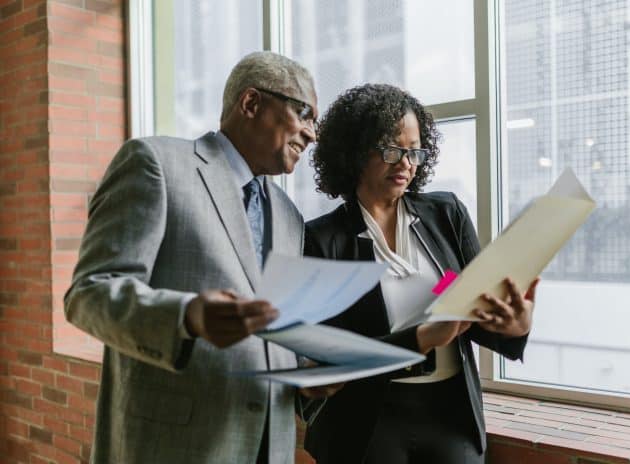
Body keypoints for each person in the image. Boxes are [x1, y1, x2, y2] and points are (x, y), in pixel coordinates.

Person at [64, 51, 339, 464]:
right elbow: (88, 295)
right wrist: (187, 316)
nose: (312, 133)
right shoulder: (155, 163)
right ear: (251, 103)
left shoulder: (289, 215)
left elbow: (271, 330)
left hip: (269, 448)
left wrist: (307, 372)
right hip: (171, 447)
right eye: (305, 113)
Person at [302, 83, 540, 464]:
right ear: (355, 150)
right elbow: (333, 358)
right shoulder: (321, 240)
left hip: (449, 413)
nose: (405, 163)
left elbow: (469, 311)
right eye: (392, 149)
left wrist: (513, 327)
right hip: (366, 420)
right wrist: (422, 338)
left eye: (414, 151)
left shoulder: (445, 215)